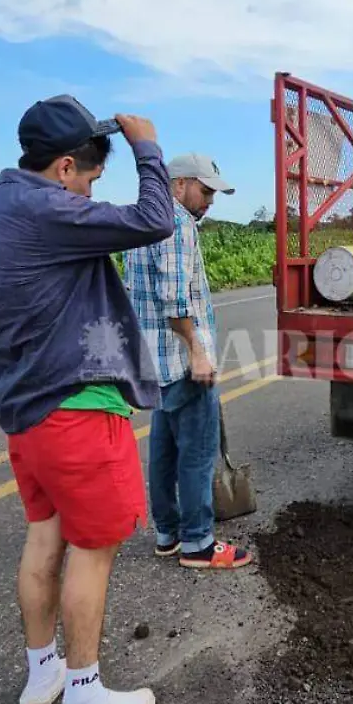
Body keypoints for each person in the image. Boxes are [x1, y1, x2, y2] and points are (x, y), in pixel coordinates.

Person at [0, 93, 175, 704]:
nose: (89, 194)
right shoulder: (47, 205)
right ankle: (83, 696)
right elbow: (153, 219)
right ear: (66, 167)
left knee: (44, 540)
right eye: (90, 180)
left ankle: (41, 671)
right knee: (94, 551)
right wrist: (146, 148)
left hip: (25, 415)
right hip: (78, 409)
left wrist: (16, 354)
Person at [123, 152, 257, 570]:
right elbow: (174, 300)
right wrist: (199, 352)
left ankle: (168, 534)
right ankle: (198, 542)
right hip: (182, 361)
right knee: (197, 451)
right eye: (205, 191)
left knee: (163, 448)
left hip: (155, 362)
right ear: (178, 185)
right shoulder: (175, 224)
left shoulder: (142, 222)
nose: (210, 202)